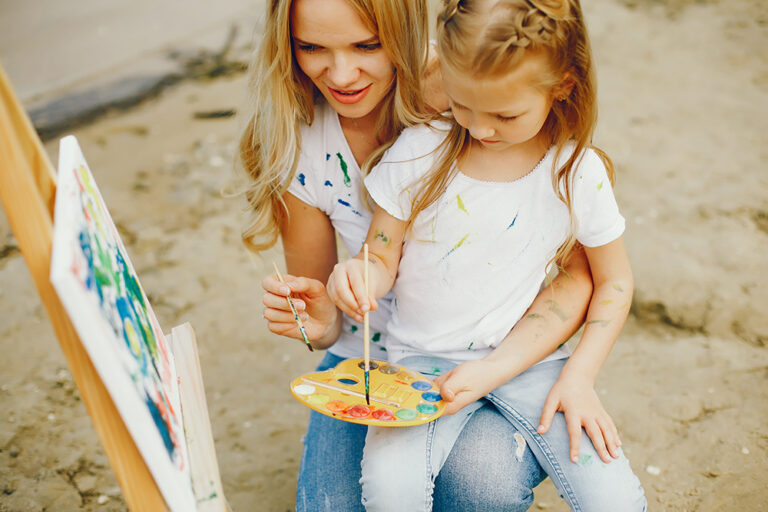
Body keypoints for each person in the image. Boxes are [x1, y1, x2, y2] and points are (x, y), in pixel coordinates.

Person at [240, 0, 605, 510]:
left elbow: (577, 254)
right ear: (287, 45)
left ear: (405, 29)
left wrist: (573, 370)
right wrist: (320, 317)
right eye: (312, 48)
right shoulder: (298, 145)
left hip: (494, 350)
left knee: (480, 487)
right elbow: (326, 325)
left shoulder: (465, 84)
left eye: (367, 46)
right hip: (372, 356)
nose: (342, 74)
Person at [325, 0, 648, 510]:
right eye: (461, 106)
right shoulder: (420, 150)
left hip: (534, 362)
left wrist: (580, 377)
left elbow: (613, 281)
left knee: (615, 499)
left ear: (562, 86)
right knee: (390, 492)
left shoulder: (576, 172)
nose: (480, 129)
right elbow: (380, 255)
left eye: (505, 114)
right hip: (420, 366)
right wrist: (360, 275)